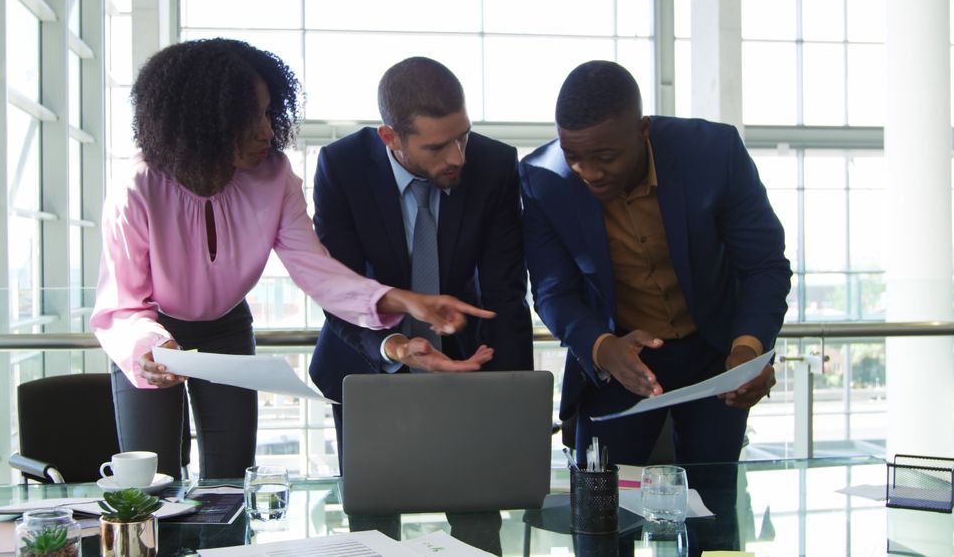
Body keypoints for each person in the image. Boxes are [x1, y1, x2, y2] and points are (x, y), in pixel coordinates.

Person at [90, 40, 493, 481]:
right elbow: (121, 306)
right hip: (149, 333)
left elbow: (315, 269)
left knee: (231, 478)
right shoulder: (139, 186)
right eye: (250, 118)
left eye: (267, 113)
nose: (266, 131)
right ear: (206, 121)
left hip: (226, 327)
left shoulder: (275, 176)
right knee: (149, 483)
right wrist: (150, 348)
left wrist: (404, 300)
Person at [519, 60, 791, 466]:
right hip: (616, 357)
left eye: (605, 157)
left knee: (714, 500)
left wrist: (749, 348)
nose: (588, 172)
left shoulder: (713, 153)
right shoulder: (543, 178)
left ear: (641, 131)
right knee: (600, 505)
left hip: (715, 354)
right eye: (573, 155)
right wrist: (603, 348)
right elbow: (554, 290)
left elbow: (764, 265)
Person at [308, 56, 534, 466]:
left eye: (462, 137)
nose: (458, 157)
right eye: (436, 146)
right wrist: (392, 347)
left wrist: (514, 395)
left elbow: (505, 291)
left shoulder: (495, 165)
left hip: (470, 365)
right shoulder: (342, 167)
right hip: (368, 364)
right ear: (390, 137)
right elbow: (338, 289)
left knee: (479, 516)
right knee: (372, 516)